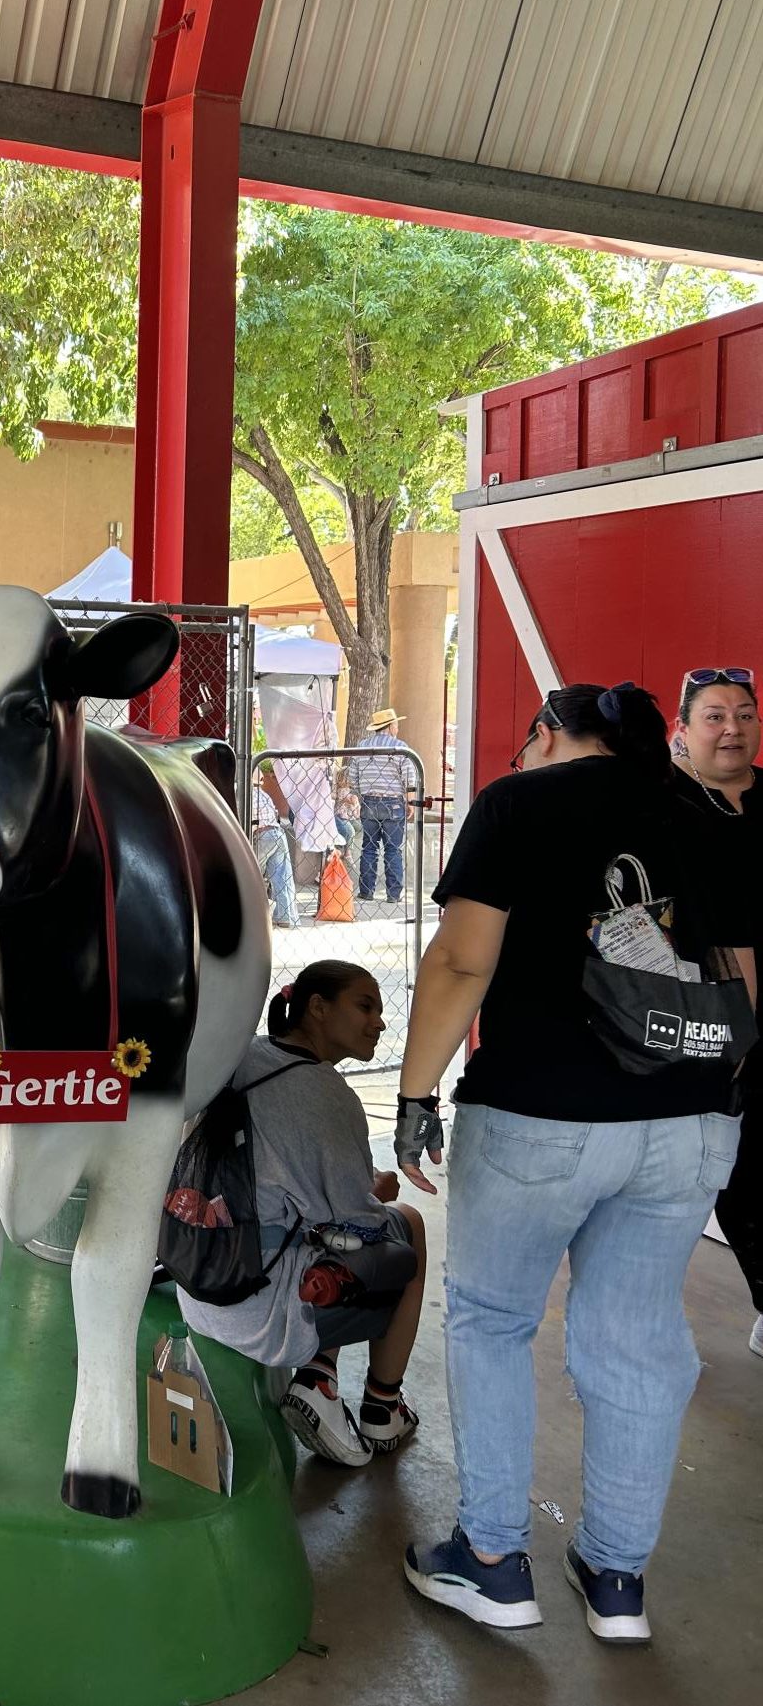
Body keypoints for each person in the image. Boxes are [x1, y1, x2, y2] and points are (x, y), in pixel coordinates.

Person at [394, 682, 751, 1645]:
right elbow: (742, 977)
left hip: (537, 1113)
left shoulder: (516, 803)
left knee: (493, 1320)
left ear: (551, 734)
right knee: (634, 1337)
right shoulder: (699, 810)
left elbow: (462, 961)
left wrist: (417, 1093)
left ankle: (494, 1558)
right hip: (689, 1120)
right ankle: (615, 1577)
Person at [178, 960, 426, 1468]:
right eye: (365, 1005)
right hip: (256, 1309)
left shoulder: (240, 1055)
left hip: (195, 1284)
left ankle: (320, 1378)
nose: (379, 1022)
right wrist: (373, 1189)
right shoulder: (329, 1098)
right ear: (317, 1007)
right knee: (405, 1227)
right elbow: (361, 1222)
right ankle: (382, 1404)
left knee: (313, 1223)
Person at [671, 666, 763, 1359]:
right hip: (701, 1022)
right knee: (719, 1170)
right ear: (683, 727)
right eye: (712, 714)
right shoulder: (667, 804)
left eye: (742, 712)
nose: (730, 725)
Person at [348, 708, 415, 903]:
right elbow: (408, 777)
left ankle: (366, 891)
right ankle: (393, 894)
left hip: (369, 801)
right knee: (393, 849)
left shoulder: (362, 747)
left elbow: (354, 776)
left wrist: (359, 796)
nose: (397, 727)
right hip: (393, 802)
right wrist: (410, 801)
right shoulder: (401, 747)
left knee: (369, 848)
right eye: (396, 724)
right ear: (391, 726)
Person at [253, 762, 299, 931]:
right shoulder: (264, 795)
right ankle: (284, 916)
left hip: (262, 835)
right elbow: (275, 813)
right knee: (281, 876)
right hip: (277, 833)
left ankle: (253, 912)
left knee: (252, 873)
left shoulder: (243, 794)